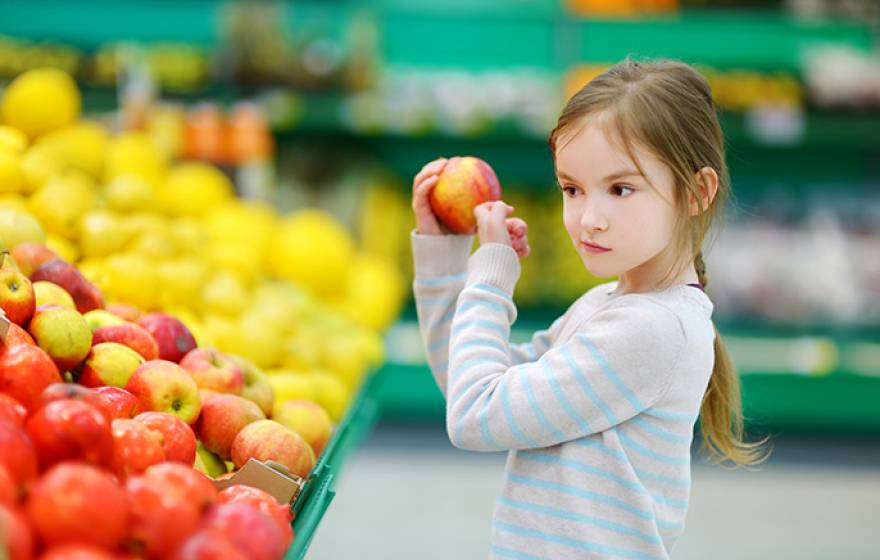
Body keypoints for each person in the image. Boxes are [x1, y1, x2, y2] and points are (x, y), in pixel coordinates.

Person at [410, 58, 769, 559]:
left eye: (621, 189)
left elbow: (475, 417)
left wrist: (491, 277)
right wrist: (445, 256)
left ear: (697, 192)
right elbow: (468, 383)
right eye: (572, 189)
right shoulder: (608, 305)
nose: (588, 219)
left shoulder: (652, 329)